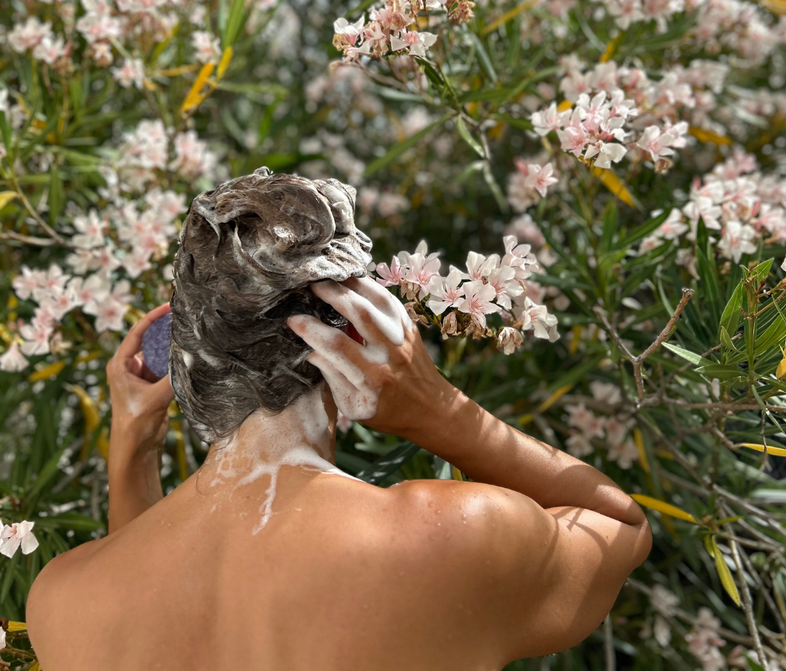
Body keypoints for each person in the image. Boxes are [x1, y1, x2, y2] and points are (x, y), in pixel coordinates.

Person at [25, 169, 652, 670]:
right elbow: (619, 527)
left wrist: (131, 446)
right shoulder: (450, 539)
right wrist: (436, 409)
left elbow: (164, 608)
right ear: (357, 336)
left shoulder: (66, 599)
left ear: (187, 351)